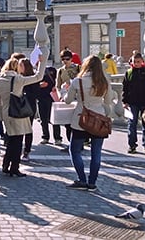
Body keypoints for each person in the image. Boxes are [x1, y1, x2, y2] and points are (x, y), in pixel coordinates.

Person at [0, 54, 46, 177]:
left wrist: (1, 117)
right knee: (17, 141)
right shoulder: (18, 79)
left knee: (11, 139)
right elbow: (38, 77)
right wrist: (42, 63)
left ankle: (6, 165)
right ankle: (14, 168)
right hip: (17, 112)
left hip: (6, 112)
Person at [64, 55, 111, 191]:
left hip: (81, 118)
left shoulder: (78, 81)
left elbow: (67, 100)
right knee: (96, 153)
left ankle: (81, 179)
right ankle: (92, 182)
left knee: (75, 150)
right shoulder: (105, 81)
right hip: (99, 118)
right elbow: (107, 102)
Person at [121, 53, 145, 154]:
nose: (136, 64)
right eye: (134, 62)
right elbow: (125, 88)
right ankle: (132, 145)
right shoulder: (129, 73)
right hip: (132, 102)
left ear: (142, 61)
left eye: (138, 62)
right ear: (132, 62)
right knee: (132, 124)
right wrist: (125, 101)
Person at [19, 58, 41, 161]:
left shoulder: (32, 78)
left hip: (29, 106)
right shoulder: (18, 77)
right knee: (18, 129)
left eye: (21, 65)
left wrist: (25, 93)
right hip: (19, 105)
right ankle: (18, 150)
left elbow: (36, 93)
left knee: (28, 129)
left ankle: (26, 151)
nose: (19, 67)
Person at [56, 49, 80, 141]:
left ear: (71, 59)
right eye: (63, 59)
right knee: (67, 123)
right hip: (66, 98)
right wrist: (60, 96)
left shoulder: (78, 68)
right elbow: (57, 86)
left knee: (77, 121)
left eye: (67, 59)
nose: (65, 61)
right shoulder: (60, 71)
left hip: (77, 98)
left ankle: (80, 143)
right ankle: (71, 143)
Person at [37, 65, 63, 146]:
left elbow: (58, 81)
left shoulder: (52, 69)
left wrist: (56, 87)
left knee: (55, 119)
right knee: (43, 119)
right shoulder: (35, 72)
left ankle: (57, 138)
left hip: (52, 97)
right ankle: (45, 136)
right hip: (41, 97)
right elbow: (32, 85)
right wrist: (39, 85)